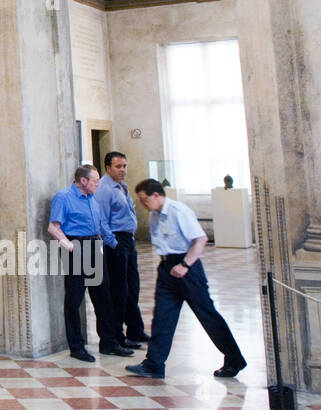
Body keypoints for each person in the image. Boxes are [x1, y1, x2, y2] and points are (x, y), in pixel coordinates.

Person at [125, 179, 247, 380]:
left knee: (208, 316)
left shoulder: (178, 211)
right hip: (167, 269)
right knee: (162, 318)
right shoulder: (154, 216)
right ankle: (154, 364)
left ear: (156, 195)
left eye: (145, 200)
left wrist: (185, 265)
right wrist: (169, 266)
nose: (143, 204)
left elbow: (200, 240)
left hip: (187, 269)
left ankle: (234, 359)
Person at [47, 165, 132, 362]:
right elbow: (53, 227)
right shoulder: (64, 197)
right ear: (83, 181)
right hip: (76, 246)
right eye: (95, 180)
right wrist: (69, 246)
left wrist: (114, 244)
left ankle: (109, 343)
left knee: (103, 296)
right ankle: (77, 346)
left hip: (95, 246)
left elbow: (101, 224)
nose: (98, 184)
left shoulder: (92, 198)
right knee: (74, 300)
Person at [94, 152, 150, 346]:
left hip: (128, 240)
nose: (123, 170)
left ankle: (135, 329)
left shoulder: (122, 187)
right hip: (115, 242)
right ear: (108, 168)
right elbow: (101, 220)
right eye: (118, 166)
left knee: (132, 287)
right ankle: (118, 335)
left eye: (124, 166)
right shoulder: (104, 188)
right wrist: (114, 243)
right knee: (118, 290)